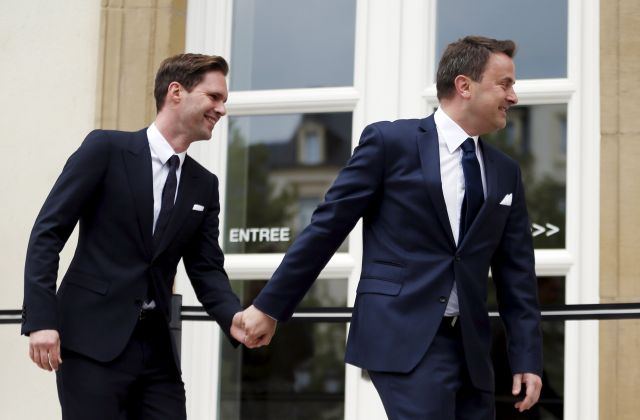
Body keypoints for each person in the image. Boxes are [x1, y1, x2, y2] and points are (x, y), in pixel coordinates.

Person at [240, 36, 543, 419]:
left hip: (472, 349)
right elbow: (327, 228)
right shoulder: (390, 143)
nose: (513, 96)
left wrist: (527, 357)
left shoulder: (505, 172)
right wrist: (269, 306)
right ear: (464, 86)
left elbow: (516, 272)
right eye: (505, 84)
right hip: (404, 335)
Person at [22, 53, 246, 419]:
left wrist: (233, 318)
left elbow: (206, 268)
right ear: (176, 92)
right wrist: (41, 320)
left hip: (157, 350)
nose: (221, 109)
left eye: (223, 100)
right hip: (90, 341)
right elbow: (48, 232)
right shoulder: (105, 149)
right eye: (214, 97)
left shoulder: (204, 185)